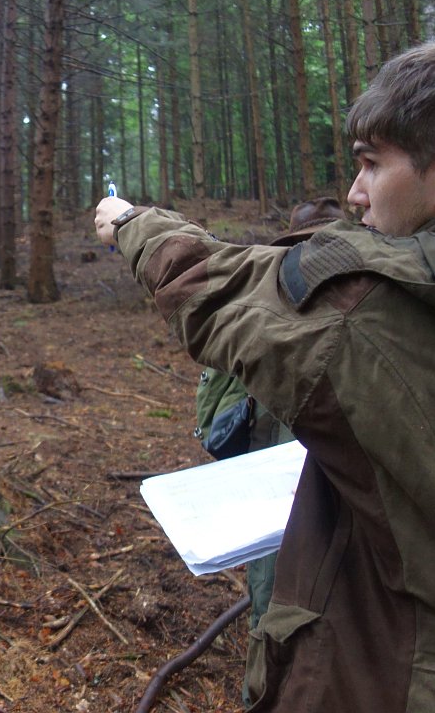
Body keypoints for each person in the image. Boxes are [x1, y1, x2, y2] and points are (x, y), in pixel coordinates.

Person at [95, 31, 435, 712]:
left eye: (371, 164)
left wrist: (130, 221)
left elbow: (215, 284)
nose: (355, 193)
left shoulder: (375, 307)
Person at [192, 198, 345, 707]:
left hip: (342, 521)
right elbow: (218, 430)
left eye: (326, 248)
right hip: (275, 519)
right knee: (271, 616)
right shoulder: (268, 324)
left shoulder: (368, 323)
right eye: (303, 250)